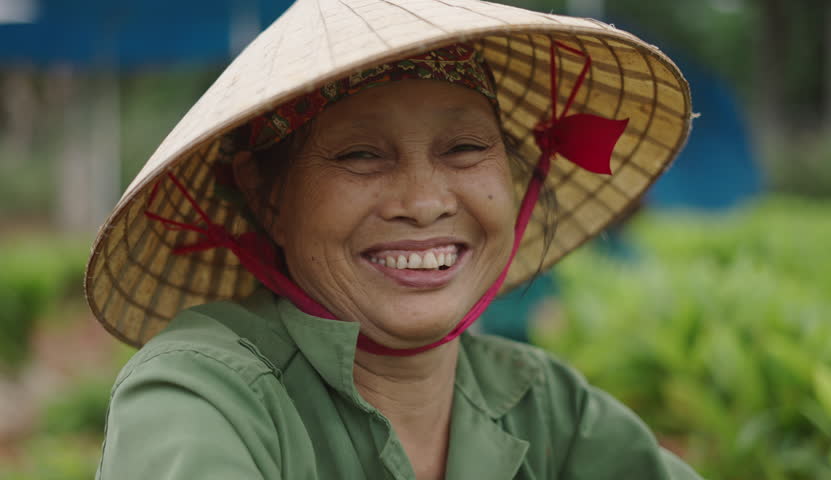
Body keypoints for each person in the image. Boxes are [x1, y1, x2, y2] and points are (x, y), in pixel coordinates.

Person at [86, 1, 699, 478]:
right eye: (359, 155)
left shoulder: (546, 407)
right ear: (268, 197)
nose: (425, 201)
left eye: (464, 149)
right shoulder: (202, 397)